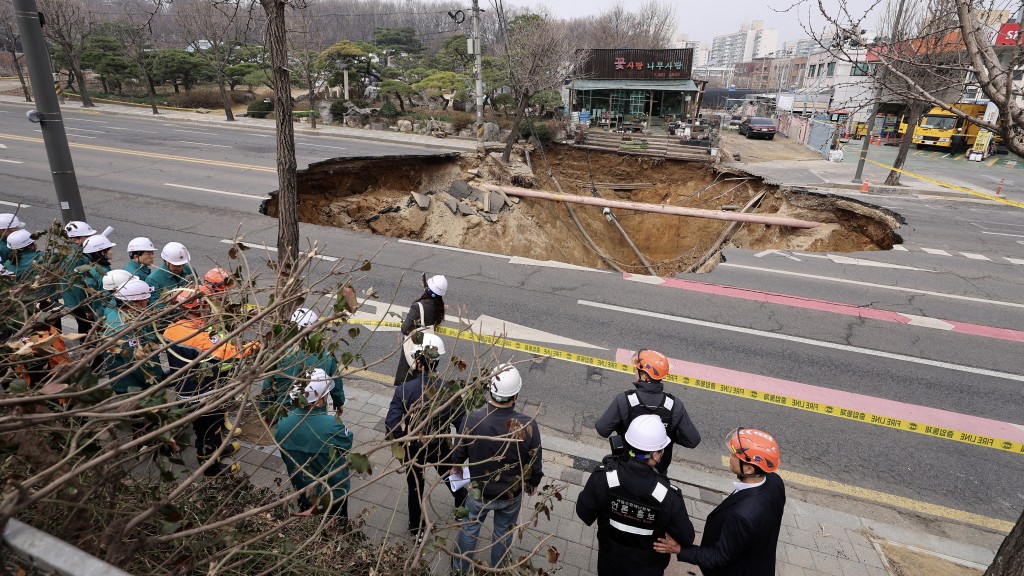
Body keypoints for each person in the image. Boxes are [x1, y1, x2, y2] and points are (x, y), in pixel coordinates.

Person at [653, 427, 786, 576]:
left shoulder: (742, 516)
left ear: (749, 469)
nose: (730, 456)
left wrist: (681, 550)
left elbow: (719, 558)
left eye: (735, 455)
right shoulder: (775, 482)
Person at [450, 363, 543, 574]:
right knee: (503, 533)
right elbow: (535, 461)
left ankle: (460, 568)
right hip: (510, 493)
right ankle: (498, 570)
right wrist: (533, 483)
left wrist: (456, 468)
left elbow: (458, 454)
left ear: (490, 390)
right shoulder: (528, 425)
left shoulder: (473, 419)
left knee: (470, 527)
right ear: (516, 395)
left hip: (478, 491)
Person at [576, 415, 695, 576]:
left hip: (609, 562)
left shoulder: (603, 478)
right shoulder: (668, 496)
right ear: (655, 455)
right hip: (648, 569)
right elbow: (686, 537)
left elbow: (584, 513)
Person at [162, 287, 256, 477]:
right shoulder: (196, 335)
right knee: (208, 428)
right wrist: (254, 346)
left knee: (215, 420)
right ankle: (210, 466)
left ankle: (219, 450)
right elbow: (227, 353)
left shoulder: (174, 328)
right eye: (205, 305)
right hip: (200, 391)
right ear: (198, 307)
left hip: (190, 387)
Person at [385, 332, 467, 536]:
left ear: (417, 361)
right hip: (440, 443)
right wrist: (459, 455)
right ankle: (462, 507)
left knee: (415, 487)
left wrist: (401, 446)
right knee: (451, 475)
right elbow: (463, 425)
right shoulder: (450, 390)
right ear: (437, 361)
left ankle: (416, 526)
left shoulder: (404, 390)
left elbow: (391, 424)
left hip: (413, 448)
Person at [595, 348, 700, 475]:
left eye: (637, 370)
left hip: (626, 466)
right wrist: (669, 435)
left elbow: (602, 429)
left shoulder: (624, 400)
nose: (635, 372)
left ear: (644, 376)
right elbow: (693, 440)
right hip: (656, 471)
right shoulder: (674, 405)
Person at [275, 368, 354, 522]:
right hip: (332, 493)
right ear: (318, 400)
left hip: (303, 489)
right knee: (337, 526)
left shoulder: (283, 422)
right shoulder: (332, 425)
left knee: (308, 523)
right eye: (325, 395)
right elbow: (347, 443)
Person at [260, 308, 345, 424]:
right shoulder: (325, 357)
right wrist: (339, 403)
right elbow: (336, 385)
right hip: (315, 413)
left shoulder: (279, 356)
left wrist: (266, 410)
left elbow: (267, 386)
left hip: (285, 412)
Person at [101, 278, 162, 394]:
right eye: (146, 300)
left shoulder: (114, 313)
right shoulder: (126, 330)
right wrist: (155, 380)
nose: (147, 303)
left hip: (124, 381)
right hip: (133, 386)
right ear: (138, 302)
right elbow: (138, 364)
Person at [394, 273, 447, 385]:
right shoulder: (438, 305)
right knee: (422, 380)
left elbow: (405, 329)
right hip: (427, 345)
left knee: (407, 381)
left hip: (415, 345)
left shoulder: (418, 307)